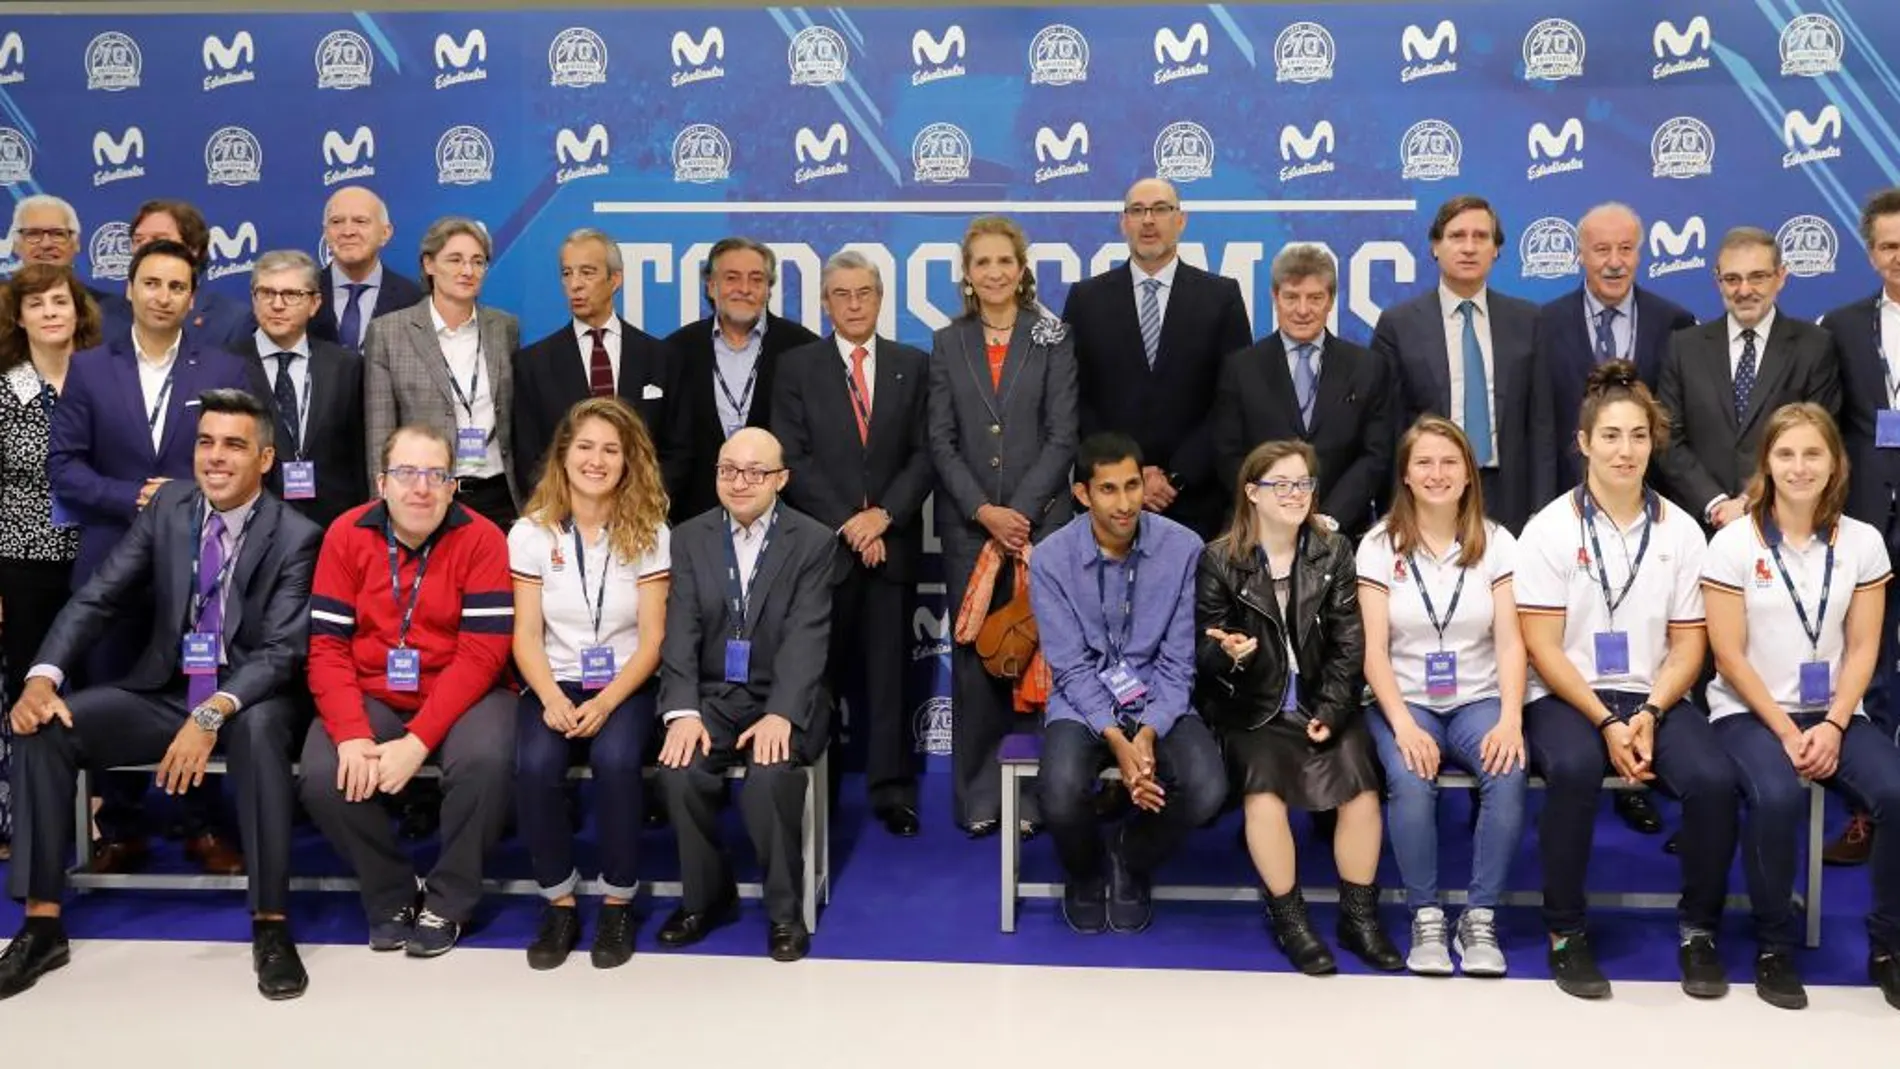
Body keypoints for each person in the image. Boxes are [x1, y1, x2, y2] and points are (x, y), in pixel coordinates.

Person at [0, 389, 323, 1001]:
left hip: (251, 697)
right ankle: (42, 923)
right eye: (206, 442)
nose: (216, 458)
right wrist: (43, 676)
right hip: (168, 690)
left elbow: (282, 652)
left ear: (265, 459)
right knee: (44, 725)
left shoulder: (297, 535)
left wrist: (213, 710)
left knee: (256, 736)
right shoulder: (169, 507)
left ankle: (271, 925)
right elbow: (99, 596)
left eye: (234, 445)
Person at [1516, 360, 1739, 1002]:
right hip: (1567, 694)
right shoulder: (1550, 528)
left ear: (1654, 442)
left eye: (1638, 435)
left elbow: (1689, 642)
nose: (1625, 450)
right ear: (1583, 442)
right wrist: (1607, 721)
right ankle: (1566, 932)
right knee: (1577, 771)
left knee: (1713, 781)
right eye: (1610, 436)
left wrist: (1648, 710)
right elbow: (1542, 646)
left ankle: (1699, 930)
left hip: (1654, 694)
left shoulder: (1682, 530)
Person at [48, 237, 255, 876]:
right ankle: (123, 827)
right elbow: (65, 467)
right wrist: (131, 495)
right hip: (114, 556)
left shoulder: (224, 367)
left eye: (176, 286)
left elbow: (243, 465)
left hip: (200, 563)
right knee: (108, 689)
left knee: (196, 690)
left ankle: (201, 824)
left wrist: (192, 495)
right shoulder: (87, 368)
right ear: (130, 291)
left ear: (193, 300)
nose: (163, 296)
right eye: (152, 284)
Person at [1703, 403, 1900, 1011]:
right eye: (1786, 454)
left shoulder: (1863, 541)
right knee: (1777, 795)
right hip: (1749, 710)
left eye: (1813, 453)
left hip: (1837, 712)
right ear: (1766, 461)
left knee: (1896, 794)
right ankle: (1773, 945)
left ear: (1835, 462)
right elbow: (1729, 655)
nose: (1799, 466)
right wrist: (1789, 731)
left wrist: (1838, 721)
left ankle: (1889, 945)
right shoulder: (1734, 542)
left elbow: (1866, 645)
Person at [300, 425, 515, 959]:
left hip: (468, 691)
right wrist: (351, 735)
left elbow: (482, 656)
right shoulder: (345, 534)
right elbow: (327, 648)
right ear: (381, 483)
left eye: (435, 475)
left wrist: (419, 740)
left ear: (452, 486)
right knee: (327, 773)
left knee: (485, 762)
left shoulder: (483, 537)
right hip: (375, 691)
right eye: (406, 474)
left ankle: (450, 898)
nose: (421, 488)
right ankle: (393, 891)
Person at [1194, 439, 1401, 975]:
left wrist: (1331, 710)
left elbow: (1348, 646)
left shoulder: (1333, 550)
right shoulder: (1220, 559)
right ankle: (1291, 921)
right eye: (1280, 484)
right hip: (1253, 707)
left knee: (1360, 787)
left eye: (1303, 483)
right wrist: (1231, 656)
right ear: (1252, 493)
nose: (1294, 494)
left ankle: (1359, 919)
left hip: (1319, 702)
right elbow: (1204, 652)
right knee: (1263, 791)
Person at [1534, 202, 1697, 840]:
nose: (1613, 260)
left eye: (1625, 247)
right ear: (1580, 253)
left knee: (1659, 643)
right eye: (1600, 248)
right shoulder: (1545, 323)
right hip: (1575, 516)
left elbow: (1681, 430)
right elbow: (1541, 422)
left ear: (1641, 251)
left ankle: (1645, 773)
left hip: (1653, 519)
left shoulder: (1674, 322)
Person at [1028, 432, 1223, 933]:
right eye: (1109, 490)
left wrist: (1149, 732)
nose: (1125, 503)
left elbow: (1180, 661)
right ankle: (1086, 870)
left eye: (1133, 486)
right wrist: (1118, 740)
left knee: (1206, 789)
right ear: (1083, 496)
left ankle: (1129, 857)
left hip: (1158, 692)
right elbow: (1069, 667)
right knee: (1061, 789)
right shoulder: (1051, 558)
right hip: (1082, 699)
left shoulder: (1183, 548)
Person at [655, 428, 834, 963]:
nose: (740, 482)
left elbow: (808, 635)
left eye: (755, 472)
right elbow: (679, 631)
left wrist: (782, 713)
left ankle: (784, 914)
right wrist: (683, 710)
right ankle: (707, 898)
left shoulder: (813, 540)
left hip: (785, 693)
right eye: (728, 469)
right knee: (680, 770)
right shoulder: (688, 537)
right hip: (713, 695)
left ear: (781, 479)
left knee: (768, 776)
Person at [1357, 416, 1527, 976]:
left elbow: (1508, 642)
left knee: (1507, 771)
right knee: (1410, 777)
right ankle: (1425, 915)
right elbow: (1374, 652)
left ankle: (1480, 918)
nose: (1437, 473)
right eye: (1424, 462)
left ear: (1469, 474)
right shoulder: (1379, 545)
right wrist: (1403, 725)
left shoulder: (1497, 541)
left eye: (1450, 462)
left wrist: (1509, 719)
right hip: (1404, 701)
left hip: (1477, 698)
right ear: (1405, 474)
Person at [772, 250, 933, 836]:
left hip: (890, 546)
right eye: (842, 294)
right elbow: (793, 457)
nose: (855, 303)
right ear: (824, 301)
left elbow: (925, 453)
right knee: (817, 676)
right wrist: (849, 521)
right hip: (822, 551)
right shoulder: (797, 367)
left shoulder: (911, 366)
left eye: (864, 292)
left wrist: (883, 516)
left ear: (881, 297)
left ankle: (891, 791)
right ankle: (817, 785)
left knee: (890, 678)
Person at [928, 215, 1078, 836]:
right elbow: (940, 439)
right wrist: (984, 512)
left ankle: (1042, 797)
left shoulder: (1054, 336)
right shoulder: (947, 342)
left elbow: (1062, 433)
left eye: (1004, 262)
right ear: (967, 274)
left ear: (1022, 270)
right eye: (981, 263)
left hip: (1042, 526)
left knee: (1042, 656)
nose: (993, 272)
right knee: (979, 661)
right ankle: (981, 797)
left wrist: (1019, 511)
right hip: (973, 531)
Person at [510, 397, 671, 970]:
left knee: (619, 761)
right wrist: (552, 697)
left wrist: (604, 701)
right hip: (552, 680)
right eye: (585, 447)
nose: (596, 461)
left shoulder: (651, 530)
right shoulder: (530, 533)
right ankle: (558, 899)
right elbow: (526, 635)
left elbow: (653, 639)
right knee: (534, 767)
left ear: (628, 461)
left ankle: (617, 900)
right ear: (564, 454)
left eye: (610, 449)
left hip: (624, 683)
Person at [1063, 177, 1251, 537]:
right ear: (1124, 223)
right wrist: (1126, 477)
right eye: (1137, 210)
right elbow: (1076, 398)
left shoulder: (1220, 297)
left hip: (1196, 500)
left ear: (1181, 220)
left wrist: (1176, 476)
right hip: (1107, 501)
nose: (1148, 220)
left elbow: (1231, 401)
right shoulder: (1087, 300)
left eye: (1161, 209)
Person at [0, 264, 101, 861]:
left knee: (96, 684)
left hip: (96, 559)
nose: (50, 313)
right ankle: (31, 818)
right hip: (25, 561)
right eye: (35, 305)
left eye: (59, 301)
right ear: (20, 318)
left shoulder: (101, 381)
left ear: (78, 309)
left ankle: (94, 811)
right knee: (31, 687)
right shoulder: (5, 391)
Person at [1374, 195, 1554, 531]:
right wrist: (1395, 508)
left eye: (1481, 237)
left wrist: (1541, 508)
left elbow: (1542, 423)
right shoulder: (1398, 325)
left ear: (1496, 249)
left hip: (1509, 494)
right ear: (1435, 247)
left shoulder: (1528, 320)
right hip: (1430, 492)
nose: (1469, 248)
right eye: (1457, 236)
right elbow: (1389, 428)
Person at [1654, 226, 1840, 533]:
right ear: (1718, 281)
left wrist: (1749, 502)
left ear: (1781, 277)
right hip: (1701, 529)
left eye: (1758, 276)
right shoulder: (1683, 347)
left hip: (1784, 524)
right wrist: (1714, 503)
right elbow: (1667, 439)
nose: (1744, 289)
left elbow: (1820, 440)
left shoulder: (1815, 346)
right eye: (1732, 279)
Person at [1821, 186, 1900, 865]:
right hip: (1870, 520)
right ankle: (1868, 814)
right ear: (1871, 253)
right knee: (1867, 670)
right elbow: (1828, 428)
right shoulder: (1843, 326)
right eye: (1888, 246)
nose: (1899, 257)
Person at [1214, 243, 1395, 537]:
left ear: (1331, 300)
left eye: (1314, 298)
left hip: (1341, 534)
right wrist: (1274, 510)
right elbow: (1228, 453)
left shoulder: (1368, 367)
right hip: (1259, 532)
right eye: (1291, 297)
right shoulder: (1241, 368)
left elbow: (1375, 455)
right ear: (1275, 297)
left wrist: (1330, 518)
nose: (1302, 310)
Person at [513, 228, 693, 509]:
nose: (575, 284)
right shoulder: (533, 364)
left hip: (644, 519)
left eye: (587, 272)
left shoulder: (661, 357)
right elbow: (529, 456)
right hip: (564, 521)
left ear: (615, 279)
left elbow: (679, 450)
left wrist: (643, 503)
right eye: (567, 273)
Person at [363, 216, 522, 531]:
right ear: (429, 265)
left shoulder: (504, 327)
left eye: (478, 262)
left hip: (498, 495)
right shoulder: (388, 332)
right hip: (424, 496)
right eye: (455, 260)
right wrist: (381, 511)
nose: (468, 271)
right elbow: (379, 433)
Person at [664, 238, 818, 522]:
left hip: (784, 522)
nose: (744, 289)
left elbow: (816, 443)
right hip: (696, 520)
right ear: (711, 286)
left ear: (768, 290)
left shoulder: (803, 348)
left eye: (756, 279)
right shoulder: (675, 351)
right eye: (732, 278)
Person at [233, 249, 367, 532]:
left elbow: (358, 453)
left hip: (333, 525)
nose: (277, 305)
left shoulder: (346, 366)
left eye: (291, 294)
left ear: (315, 303)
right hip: (251, 525)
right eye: (266, 293)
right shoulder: (227, 364)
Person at [100, 200, 256, 349]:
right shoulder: (103, 315)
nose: (144, 248)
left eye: (158, 239)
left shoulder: (231, 320)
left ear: (193, 248)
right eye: (138, 240)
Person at [309, 186, 425, 352]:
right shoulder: (302, 293)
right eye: (337, 222)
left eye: (360, 221)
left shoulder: (414, 299)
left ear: (385, 233)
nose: (348, 231)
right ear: (326, 233)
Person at [5, 195, 116, 307]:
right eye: (33, 233)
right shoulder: (3, 304)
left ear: (76, 243)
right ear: (16, 245)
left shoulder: (107, 309)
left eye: (57, 234)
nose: (46, 244)